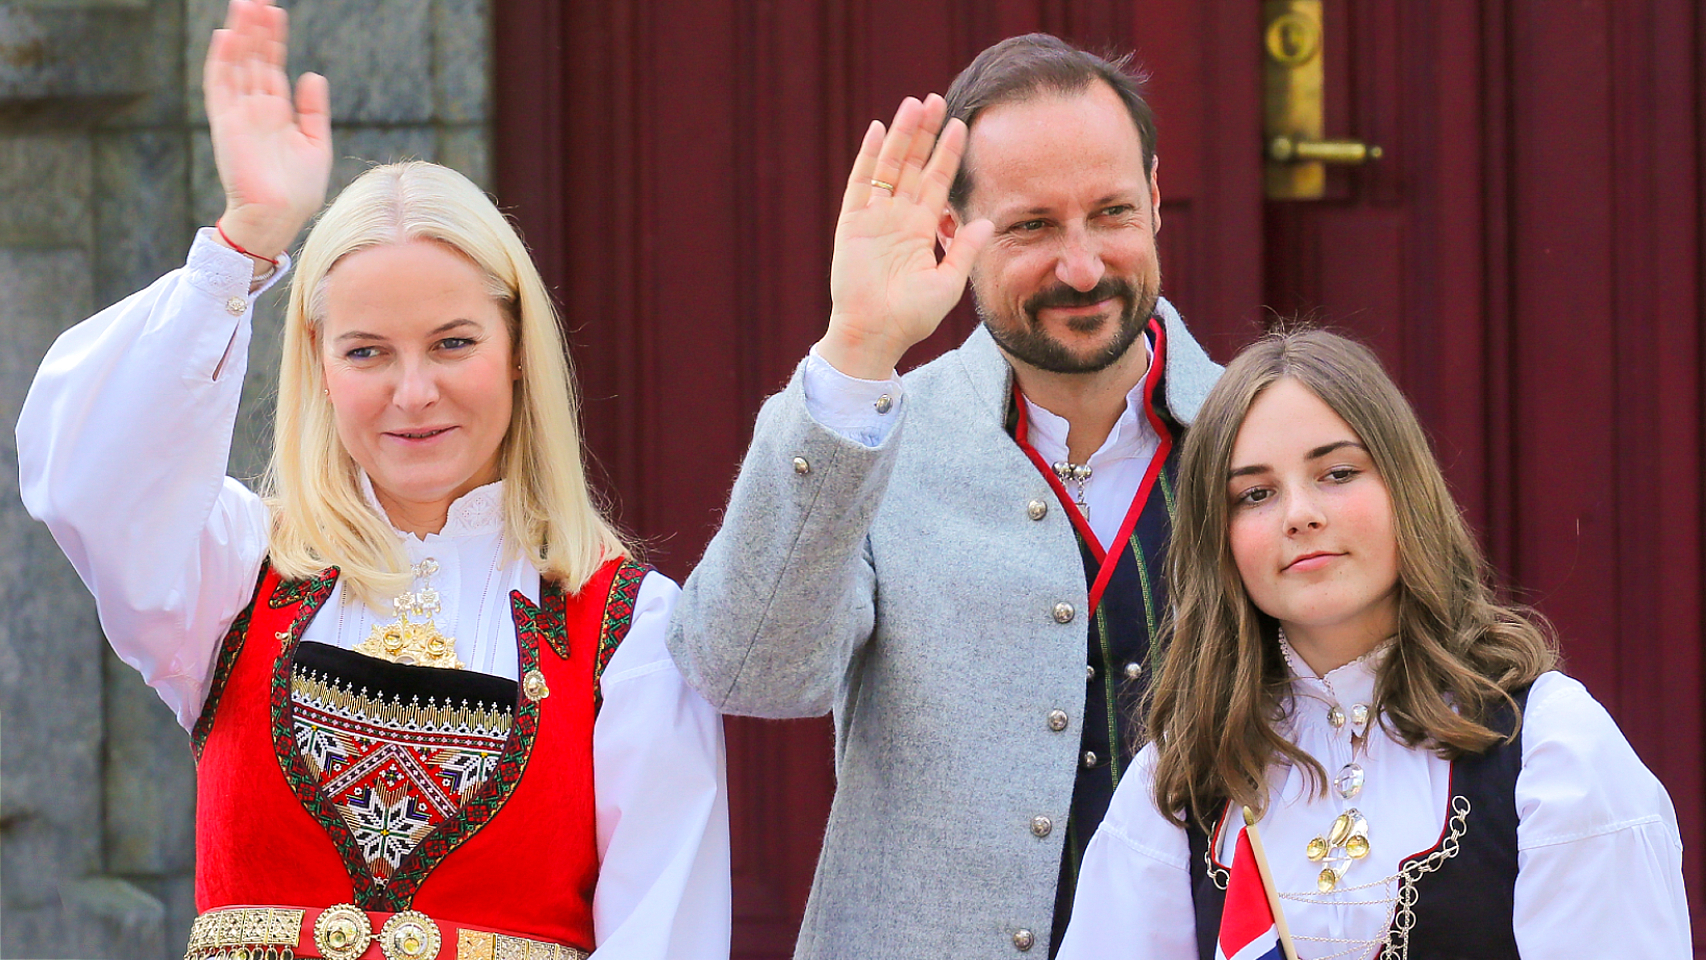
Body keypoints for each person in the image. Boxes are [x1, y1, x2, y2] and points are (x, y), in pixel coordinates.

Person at [16, 2, 728, 958]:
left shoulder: (629, 633)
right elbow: (90, 481)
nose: (413, 392)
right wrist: (242, 247)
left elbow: (663, 936)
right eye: (366, 352)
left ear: (518, 352)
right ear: (316, 363)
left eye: (453, 343)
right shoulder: (232, 573)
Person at [666, 34, 1221, 958]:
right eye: (1031, 227)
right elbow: (743, 669)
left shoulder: (1271, 443)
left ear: (1157, 200)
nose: (1082, 268)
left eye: (1112, 213)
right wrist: (854, 354)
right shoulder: (868, 434)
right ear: (949, 238)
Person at [1056, 329, 1690, 959]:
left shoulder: (1553, 748)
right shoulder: (1179, 779)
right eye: (1255, 493)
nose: (1298, 514)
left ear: (1404, 490)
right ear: (1219, 538)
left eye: (1337, 472)